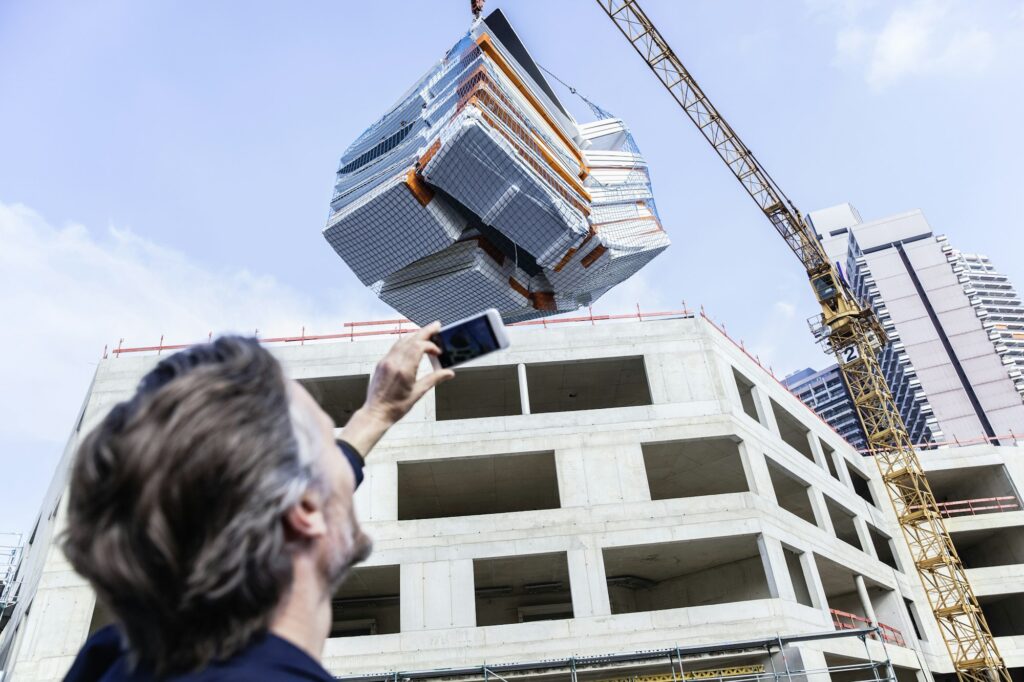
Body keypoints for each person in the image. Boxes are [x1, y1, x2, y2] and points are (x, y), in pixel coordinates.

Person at [62, 323, 454, 681]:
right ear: (304, 510)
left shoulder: (112, 662)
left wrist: (376, 413)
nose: (342, 457)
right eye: (328, 445)